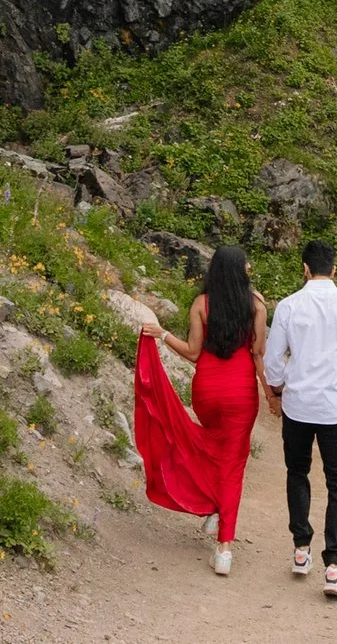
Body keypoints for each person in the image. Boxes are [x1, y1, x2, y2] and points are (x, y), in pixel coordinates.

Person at [133, 246, 269, 575]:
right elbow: (259, 353)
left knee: (211, 448)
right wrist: (272, 394)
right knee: (233, 462)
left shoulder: (201, 304)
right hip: (240, 392)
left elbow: (193, 353)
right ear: (240, 270)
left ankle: (213, 509)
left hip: (207, 391)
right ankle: (224, 548)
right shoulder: (257, 305)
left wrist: (163, 334)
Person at [261, 238, 337, 600]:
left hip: (297, 406)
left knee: (298, 473)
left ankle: (300, 548)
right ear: (335, 269)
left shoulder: (289, 306)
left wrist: (277, 392)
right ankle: (334, 565)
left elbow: (272, 361)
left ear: (305, 269)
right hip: (336, 409)